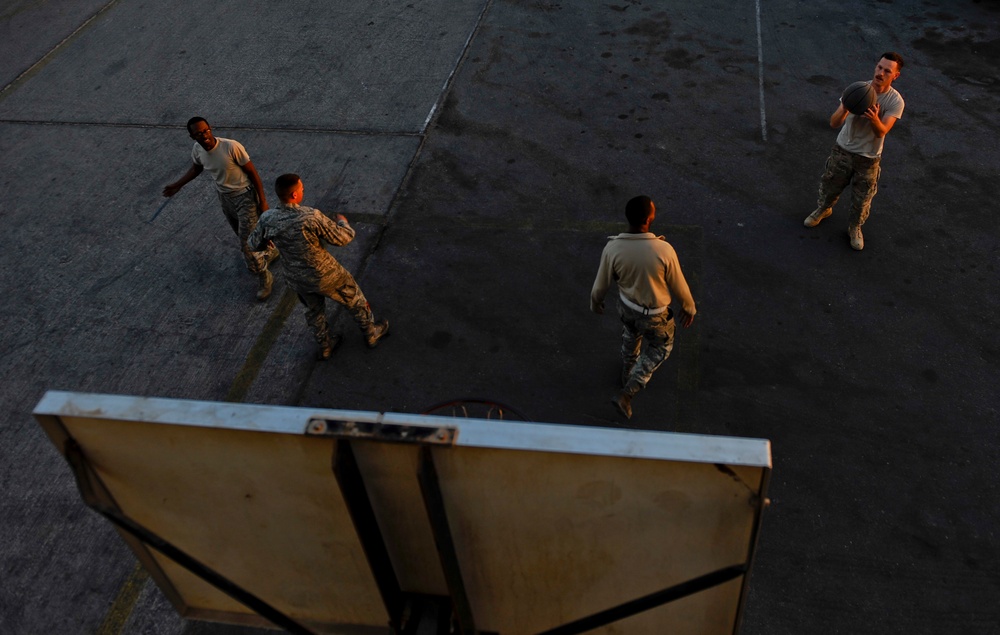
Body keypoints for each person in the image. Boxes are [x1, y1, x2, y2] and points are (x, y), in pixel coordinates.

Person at [248, 173, 389, 360]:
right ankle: (371, 332)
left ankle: (325, 346)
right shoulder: (310, 217)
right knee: (355, 300)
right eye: (301, 189)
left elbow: (253, 244)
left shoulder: (267, 218)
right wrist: (343, 222)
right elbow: (343, 238)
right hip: (326, 274)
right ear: (294, 196)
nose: (303, 190)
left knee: (314, 312)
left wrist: (270, 242)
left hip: (297, 278)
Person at [590, 196, 696, 419]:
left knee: (631, 334)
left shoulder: (613, 248)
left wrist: (595, 303)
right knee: (660, 348)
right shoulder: (663, 250)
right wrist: (689, 307)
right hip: (656, 317)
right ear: (649, 219)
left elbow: (600, 286)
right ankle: (628, 392)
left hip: (627, 308)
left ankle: (627, 370)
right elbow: (679, 285)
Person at [163, 117, 279, 299]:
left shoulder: (231, 147)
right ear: (192, 136)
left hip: (245, 197)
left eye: (206, 131)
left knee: (247, 244)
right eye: (199, 134)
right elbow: (196, 169)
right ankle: (270, 251)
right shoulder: (197, 150)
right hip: (225, 198)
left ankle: (265, 277)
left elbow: (253, 173)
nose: (204, 136)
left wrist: (262, 202)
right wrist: (178, 185)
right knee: (240, 233)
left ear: (211, 129)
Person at [804, 52, 906, 251]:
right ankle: (823, 210)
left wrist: (874, 118)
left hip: (868, 158)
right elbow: (834, 123)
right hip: (843, 150)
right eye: (879, 67)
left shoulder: (895, 102)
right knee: (829, 187)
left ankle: (855, 227)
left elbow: (882, 132)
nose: (880, 73)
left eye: (887, 71)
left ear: (895, 76)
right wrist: (845, 107)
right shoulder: (857, 90)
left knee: (862, 200)